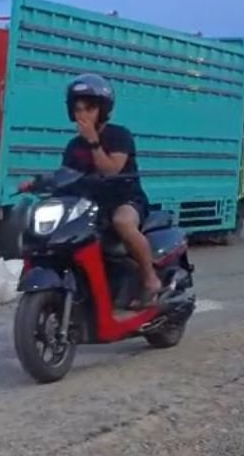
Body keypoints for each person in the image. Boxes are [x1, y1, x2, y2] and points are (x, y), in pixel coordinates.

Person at [20, 73, 162, 309]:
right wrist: (37, 183)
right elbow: (65, 175)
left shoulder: (119, 136)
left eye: (89, 109)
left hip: (124, 200)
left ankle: (150, 279)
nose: (82, 115)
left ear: (102, 110)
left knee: (123, 223)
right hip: (89, 205)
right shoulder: (74, 145)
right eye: (78, 109)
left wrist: (94, 141)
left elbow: (111, 171)